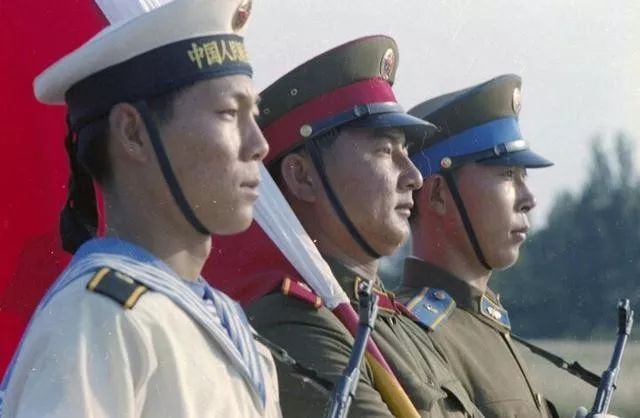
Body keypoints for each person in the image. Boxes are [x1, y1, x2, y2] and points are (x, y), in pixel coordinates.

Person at [0, 0, 281, 417]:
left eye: (253, 115)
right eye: (228, 113)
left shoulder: (228, 325)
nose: (259, 144)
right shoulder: (98, 318)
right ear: (133, 132)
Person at [206, 35, 483, 417]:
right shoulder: (292, 324)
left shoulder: (393, 319)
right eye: (385, 150)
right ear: (302, 176)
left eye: (405, 151)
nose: (414, 176)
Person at [394, 74, 574, 418]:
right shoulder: (409, 334)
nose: (528, 199)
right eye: (507, 175)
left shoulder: (486, 324)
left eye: (524, 176)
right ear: (438, 194)